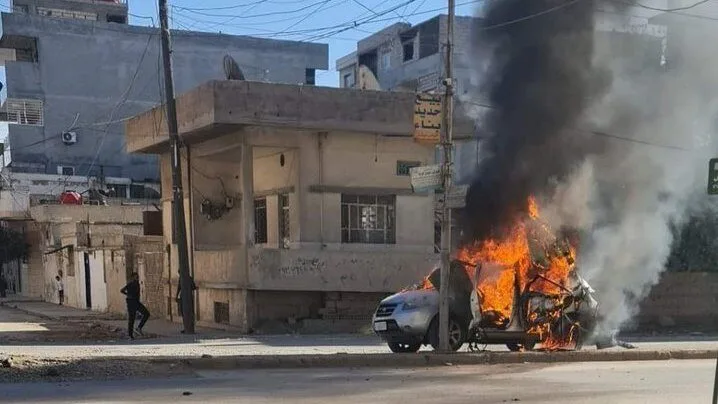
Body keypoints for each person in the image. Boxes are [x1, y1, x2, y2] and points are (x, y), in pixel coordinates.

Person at [120, 273, 150, 339]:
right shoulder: (131, 284)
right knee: (132, 319)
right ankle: (130, 335)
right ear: (133, 277)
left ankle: (139, 328)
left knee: (146, 314)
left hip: (136, 302)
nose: (137, 278)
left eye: (138, 277)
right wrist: (128, 294)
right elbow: (122, 290)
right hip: (131, 302)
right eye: (136, 277)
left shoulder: (137, 284)